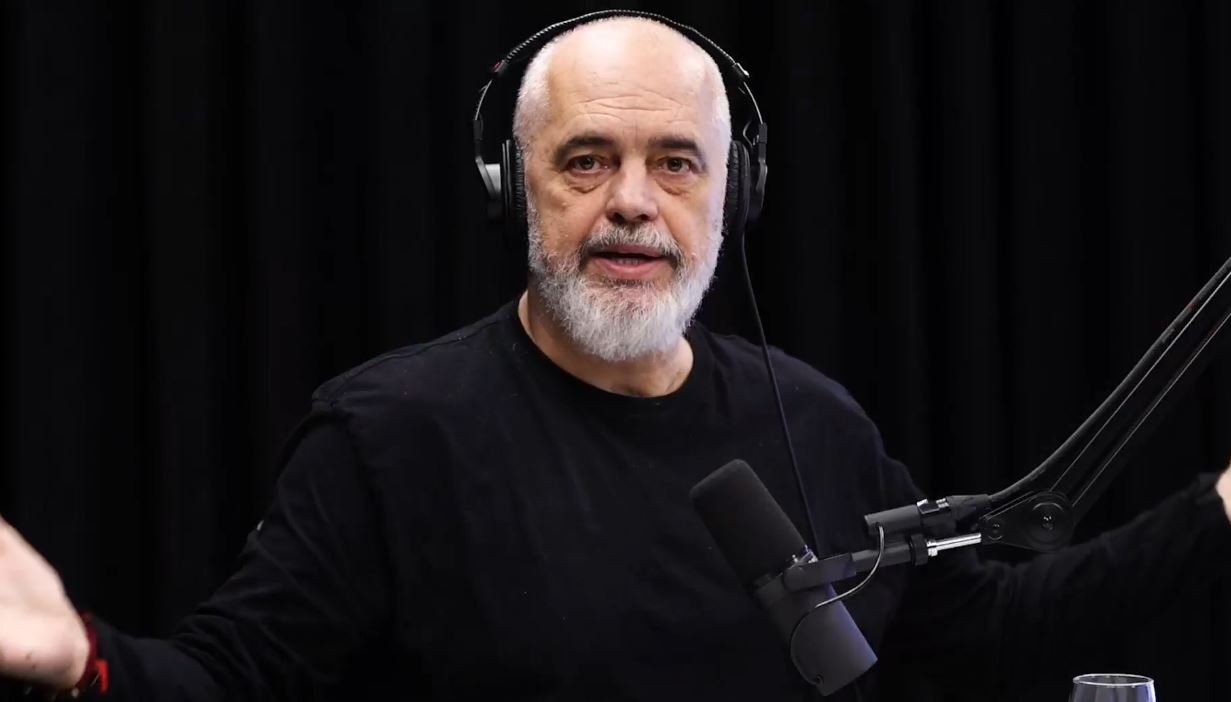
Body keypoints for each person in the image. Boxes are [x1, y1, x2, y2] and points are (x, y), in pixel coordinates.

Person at [2, 12, 1230, 702]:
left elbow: (986, 629)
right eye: (586, 161)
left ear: (734, 193)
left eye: (674, 163)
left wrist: (1215, 512)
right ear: (514, 189)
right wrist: (84, 663)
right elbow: (231, 683)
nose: (632, 201)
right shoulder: (392, 435)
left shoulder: (810, 422)